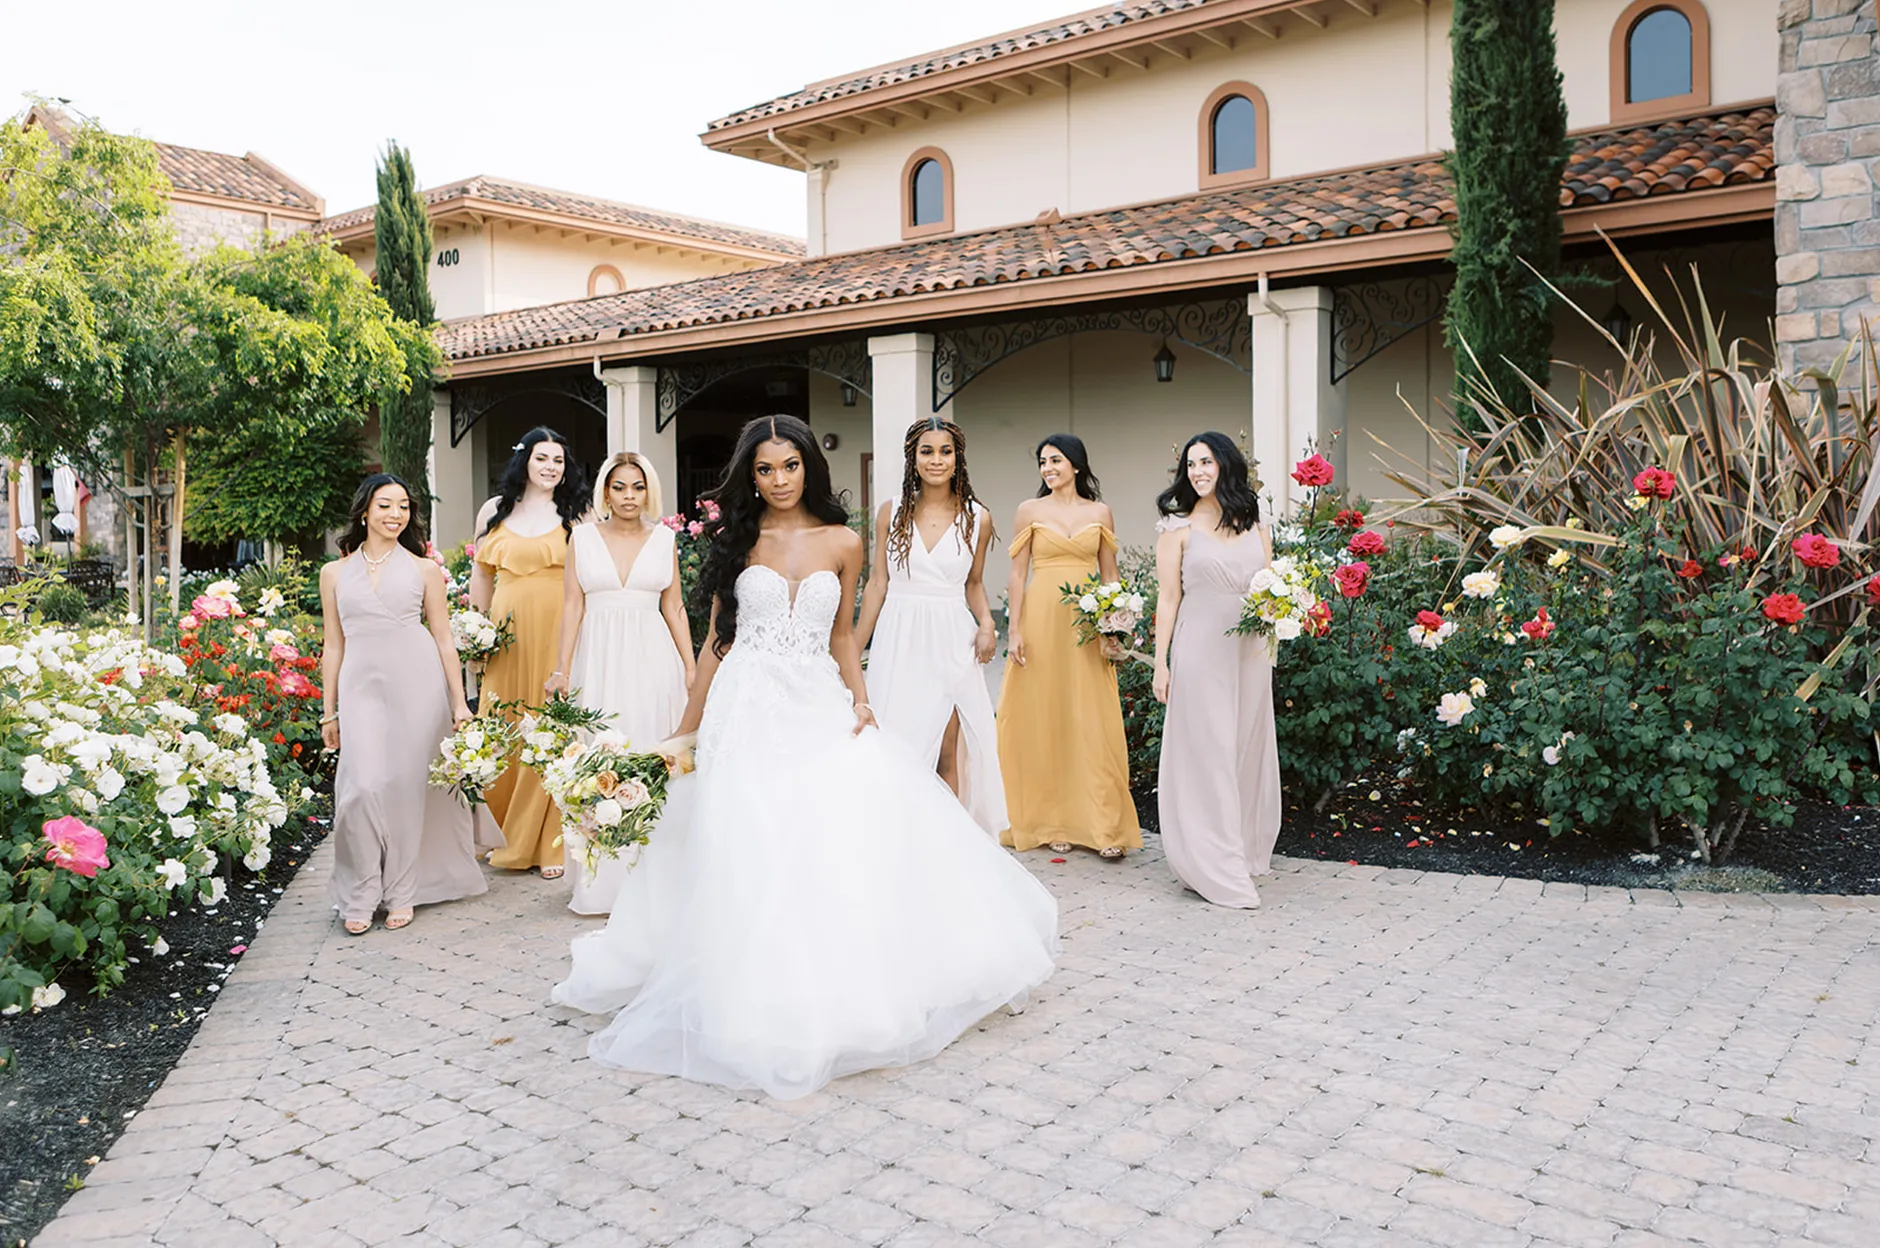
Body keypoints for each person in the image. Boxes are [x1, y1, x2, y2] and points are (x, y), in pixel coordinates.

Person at [552, 414, 1057, 1100]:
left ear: (808, 468)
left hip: (816, 699)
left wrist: (862, 699)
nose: (778, 480)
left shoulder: (846, 541)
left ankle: (823, 978)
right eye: (764, 469)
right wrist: (683, 730)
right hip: (746, 704)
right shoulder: (734, 540)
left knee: (824, 831)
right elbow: (714, 644)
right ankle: (744, 980)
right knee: (748, 834)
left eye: (789, 466)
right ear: (749, 476)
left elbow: (844, 634)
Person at [319, 474, 487, 934]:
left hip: (418, 683)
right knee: (361, 788)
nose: (396, 515)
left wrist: (460, 704)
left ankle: (402, 891)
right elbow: (332, 645)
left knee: (408, 790)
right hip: (360, 689)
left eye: (404, 507)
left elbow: (444, 640)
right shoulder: (333, 573)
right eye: (385, 505)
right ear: (364, 511)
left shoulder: (423, 569)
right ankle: (360, 889)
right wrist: (327, 709)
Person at [546, 452, 695, 915]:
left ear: (649, 491)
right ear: (605, 492)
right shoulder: (583, 538)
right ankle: (601, 884)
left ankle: (656, 882)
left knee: (653, 757)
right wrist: (561, 669)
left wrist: (691, 669)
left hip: (655, 661)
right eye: (619, 487)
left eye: (637, 487)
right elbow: (572, 606)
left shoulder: (664, 538)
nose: (629, 496)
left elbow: (674, 608)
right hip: (600, 659)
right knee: (600, 758)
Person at [855, 416, 1006, 836]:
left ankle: (947, 844)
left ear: (958, 459)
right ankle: (897, 838)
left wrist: (987, 624)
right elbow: (878, 583)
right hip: (899, 638)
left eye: (945, 451)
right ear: (913, 458)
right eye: (927, 451)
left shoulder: (978, 518)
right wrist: (851, 650)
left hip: (950, 639)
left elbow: (974, 585)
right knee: (894, 742)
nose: (936, 460)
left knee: (945, 747)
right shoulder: (893, 512)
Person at [997, 434, 1143, 859]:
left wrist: (1115, 623)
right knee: (1045, 715)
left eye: (1055, 460)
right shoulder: (1029, 511)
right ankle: (1051, 821)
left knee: (1090, 717)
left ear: (1076, 465)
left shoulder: (1100, 513)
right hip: (1042, 621)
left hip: (1087, 624)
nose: (1047, 469)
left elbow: (1110, 572)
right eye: (1042, 462)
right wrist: (1017, 631)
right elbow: (1016, 574)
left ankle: (1103, 826)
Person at [1151, 433, 1281, 908]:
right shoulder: (1177, 526)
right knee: (1210, 749)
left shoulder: (1255, 519)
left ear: (1226, 464)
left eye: (1206, 462)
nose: (1198, 471)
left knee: (1245, 747)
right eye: (1190, 465)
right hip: (1201, 646)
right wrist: (1161, 664)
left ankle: (1240, 850)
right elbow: (1169, 599)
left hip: (1251, 649)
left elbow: (1271, 583)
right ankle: (1214, 865)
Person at [469, 427, 586, 879]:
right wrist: (476, 633)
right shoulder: (493, 511)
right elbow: (481, 577)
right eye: (543, 458)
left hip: (558, 628)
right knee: (503, 725)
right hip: (505, 633)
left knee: (551, 726)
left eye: (558, 459)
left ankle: (549, 842)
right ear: (525, 461)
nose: (551, 467)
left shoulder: (578, 512)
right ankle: (499, 831)